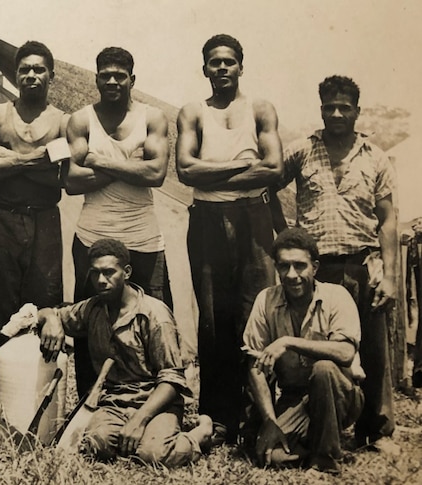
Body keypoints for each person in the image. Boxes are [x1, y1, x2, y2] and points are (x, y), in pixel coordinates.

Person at [273, 75, 398, 450]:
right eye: (330, 107)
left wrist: (390, 276)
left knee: (373, 348)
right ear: (321, 109)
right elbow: (268, 188)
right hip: (316, 269)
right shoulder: (302, 151)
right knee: (317, 349)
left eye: (345, 107)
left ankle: (375, 430)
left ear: (358, 111)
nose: (337, 113)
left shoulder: (375, 156)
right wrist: (287, 238)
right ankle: (317, 420)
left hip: (362, 264)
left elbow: (389, 218)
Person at [175, 34, 283, 446]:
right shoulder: (193, 112)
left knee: (254, 314)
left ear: (241, 66)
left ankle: (258, 415)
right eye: (214, 63)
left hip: (252, 218)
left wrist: (213, 170)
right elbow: (185, 170)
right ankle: (217, 417)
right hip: (207, 219)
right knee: (213, 319)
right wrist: (239, 164)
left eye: (229, 62)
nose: (222, 69)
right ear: (204, 68)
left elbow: (272, 168)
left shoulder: (259, 109)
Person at [38, 238, 213, 465]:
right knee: (94, 443)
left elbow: (171, 380)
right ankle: (134, 440)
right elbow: (45, 312)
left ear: (127, 272)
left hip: (155, 404)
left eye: (109, 272)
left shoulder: (154, 315)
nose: (101, 280)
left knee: (154, 454)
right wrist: (51, 318)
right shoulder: (92, 308)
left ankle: (199, 434)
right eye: (95, 273)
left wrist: (139, 420)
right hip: (114, 404)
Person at [65, 46, 172, 398]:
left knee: (154, 318)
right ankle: (87, 402)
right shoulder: (81, 120)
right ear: (96, 79)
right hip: (93, 235)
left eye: (119, 76)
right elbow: (71, 182)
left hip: (143, 238)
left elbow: (155, 174)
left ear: (132, 80)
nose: (112, 81)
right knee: (88, 319)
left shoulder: (152, 118)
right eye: (105, 75)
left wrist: (99, 160)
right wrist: (131, 166)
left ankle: (159, 401)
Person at [0, 41, 68, 391]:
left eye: (38, 69)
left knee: (46, 303)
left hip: (45, 219)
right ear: (15, 74)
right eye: (24, 69)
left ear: (51, 76)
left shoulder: (63, 121)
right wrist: (32, 160)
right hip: (3, 217)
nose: (30, 75)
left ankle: (41, 391)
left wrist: (6, 158)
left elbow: (61, 177)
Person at [243, 228, 364, 474]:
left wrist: (288, 341)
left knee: (323, 368)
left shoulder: (336, 296)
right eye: (284, 267)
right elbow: (254, 365)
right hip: (295, 398)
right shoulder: (266, 300)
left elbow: (345, 353)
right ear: (276, 268)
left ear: (315, 267)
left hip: (341, 393)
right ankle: (316, 438)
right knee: (271, 455)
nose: (292, 275)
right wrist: (269, 421)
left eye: (300, 266)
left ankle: (325, 461)